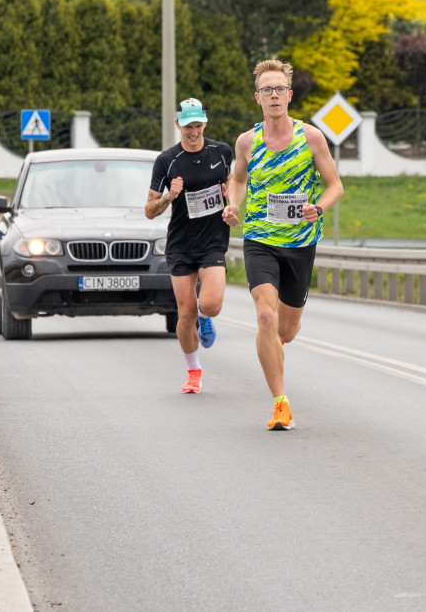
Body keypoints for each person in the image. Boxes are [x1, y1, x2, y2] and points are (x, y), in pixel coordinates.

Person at [222, 60, 344, 430]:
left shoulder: (311, 138)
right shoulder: (247, 141)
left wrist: (317, 208)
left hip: (300, 242)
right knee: (264, 315)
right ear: (257, 97)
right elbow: (238, 180)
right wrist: (233, 204)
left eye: (279, 89)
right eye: (266, 90)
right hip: (260, 238)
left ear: (289, 95)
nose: (273, 95)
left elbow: (335, 185)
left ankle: (274, 346)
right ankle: (280, 403)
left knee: (285, 331)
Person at [146, 98, 233, 394]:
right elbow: (149, 209)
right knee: (184, 316)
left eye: (197, 126)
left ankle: (205, 317)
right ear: (178, 125)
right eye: (187, 126)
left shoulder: (222, 153)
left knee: (210, 304)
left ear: (205, 123)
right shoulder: (167, 160)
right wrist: (170, 196)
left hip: (213, 242)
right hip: (181, 244)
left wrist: (230, 199)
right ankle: (193, 372)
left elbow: (233, 189)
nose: (193, 132)